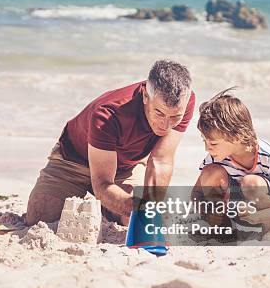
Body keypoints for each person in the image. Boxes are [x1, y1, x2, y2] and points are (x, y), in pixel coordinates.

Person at [26, 60, 195, 226]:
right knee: (39, 216)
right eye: (159, 113)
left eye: (175, 117)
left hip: (126, 165)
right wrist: (135, 207)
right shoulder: (108, 114)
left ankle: (107, 209)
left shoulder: (184, 102)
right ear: (145, 95)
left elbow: (161, 160)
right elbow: (102, 184)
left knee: (134, 221)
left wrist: (152, 205)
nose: (166, 125)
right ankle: (100, 201)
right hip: (74, 159)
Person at [191, 87, 270, 242]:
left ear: (236, 136)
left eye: (213, 143)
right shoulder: (215, 157)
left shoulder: (267, 155)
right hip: (236, 212)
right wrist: (210, 214)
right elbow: (196, 194)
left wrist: (258, 217)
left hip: (268, 212)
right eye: (204, 141)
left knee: (251, 182)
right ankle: (225, 230)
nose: (206, 148)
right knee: (211, 172)